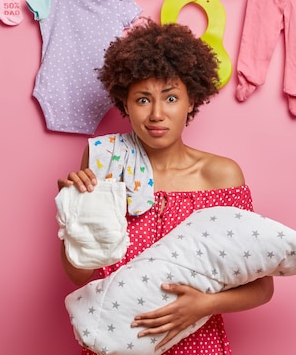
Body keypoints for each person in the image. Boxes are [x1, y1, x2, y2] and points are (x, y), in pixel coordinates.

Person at [58, 20, 274, 355]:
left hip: (198, 344)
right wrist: (78, 215)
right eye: (143, 100)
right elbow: (78, 275)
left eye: (170, 97)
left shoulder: (221, 175)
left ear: (191, 101)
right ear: (125, 105)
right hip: (118, 342)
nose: (157, 114)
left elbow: (261, 287)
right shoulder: (106, 161)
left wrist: (202, 305)